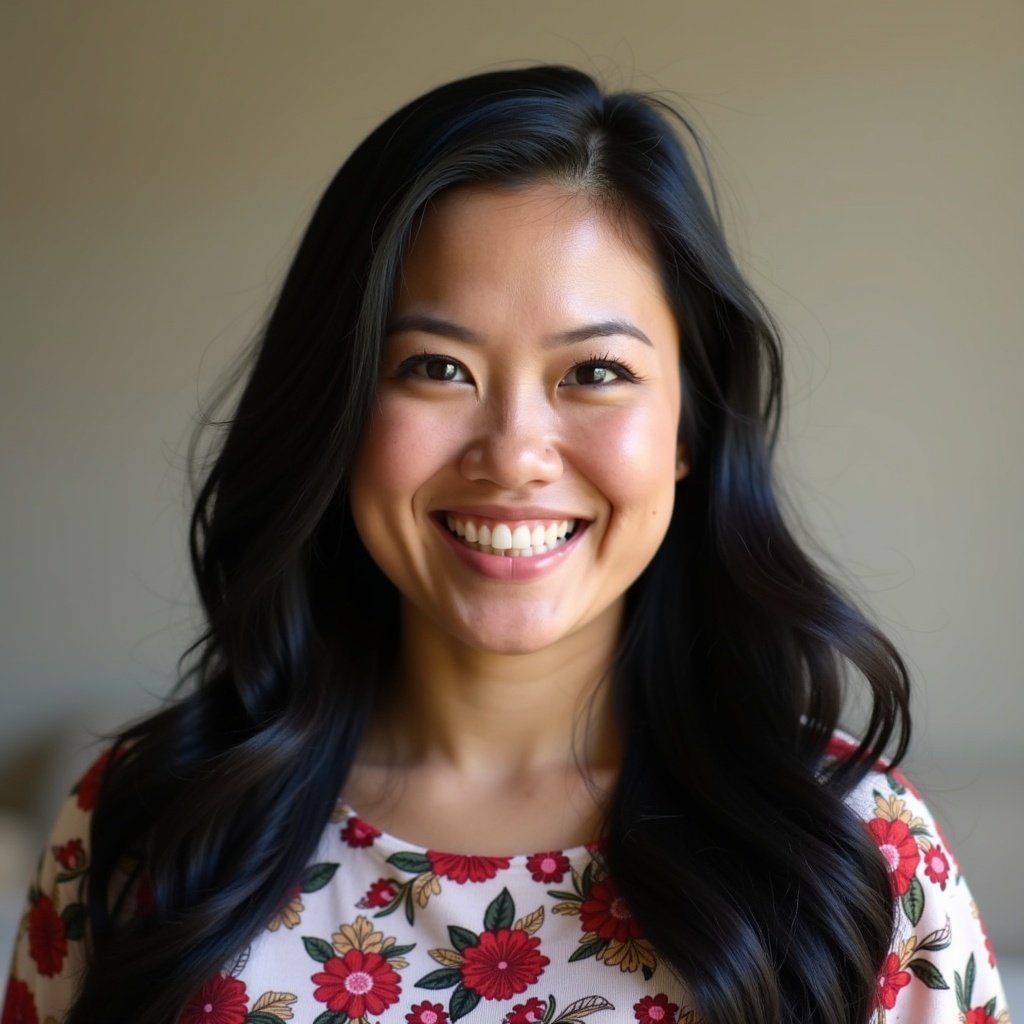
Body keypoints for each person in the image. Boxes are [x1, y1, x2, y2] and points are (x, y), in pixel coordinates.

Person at [2, 65, 1009, 1024]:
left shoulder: (852, 852)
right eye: (437, 367)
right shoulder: (143, 826)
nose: (515, 454)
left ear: (688, 427)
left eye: (595, 373)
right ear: (340, 406)